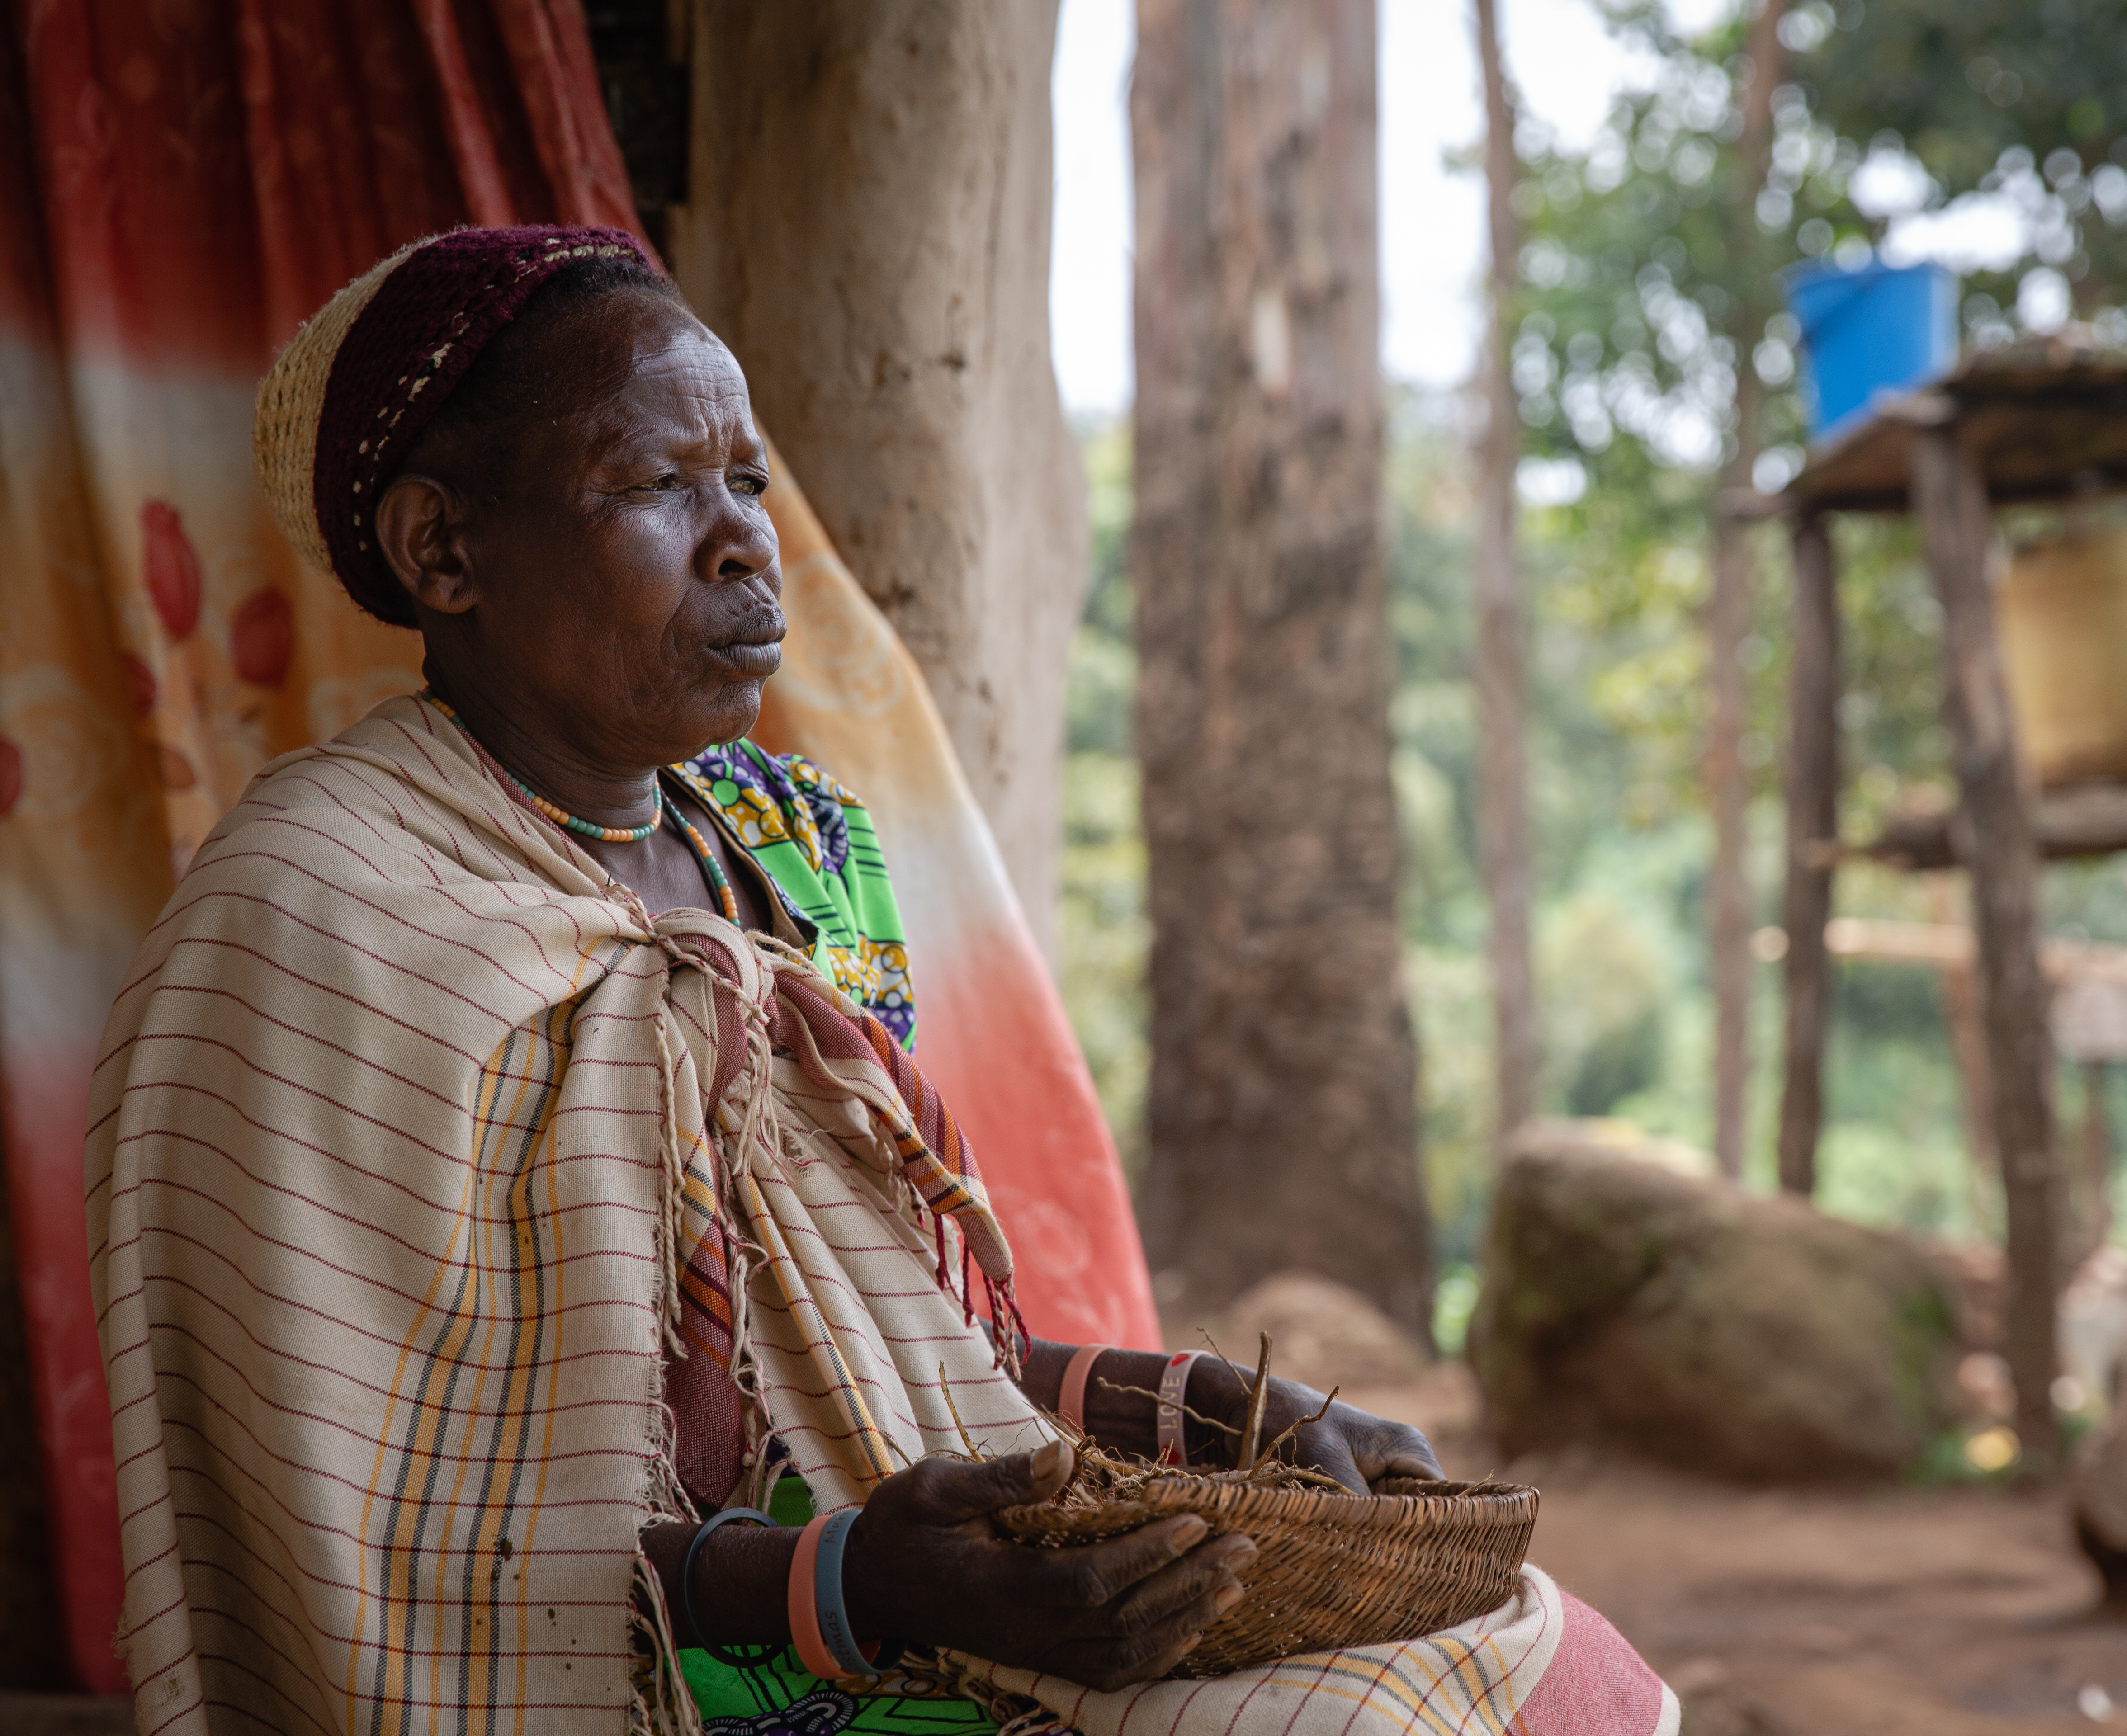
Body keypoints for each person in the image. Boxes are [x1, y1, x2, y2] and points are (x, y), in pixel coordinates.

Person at [88, 226, 1671, 1736]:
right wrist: (857, 1583)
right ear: (445, 549)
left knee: (1518, 1650)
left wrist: (1199, 1412)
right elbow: (364, 1551)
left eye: (747, 480)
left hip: (895, 1597)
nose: (745, 540)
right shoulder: (318, 920)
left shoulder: (796, 856)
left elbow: (892, 1353)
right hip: (658, 1672)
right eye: (654, 482)